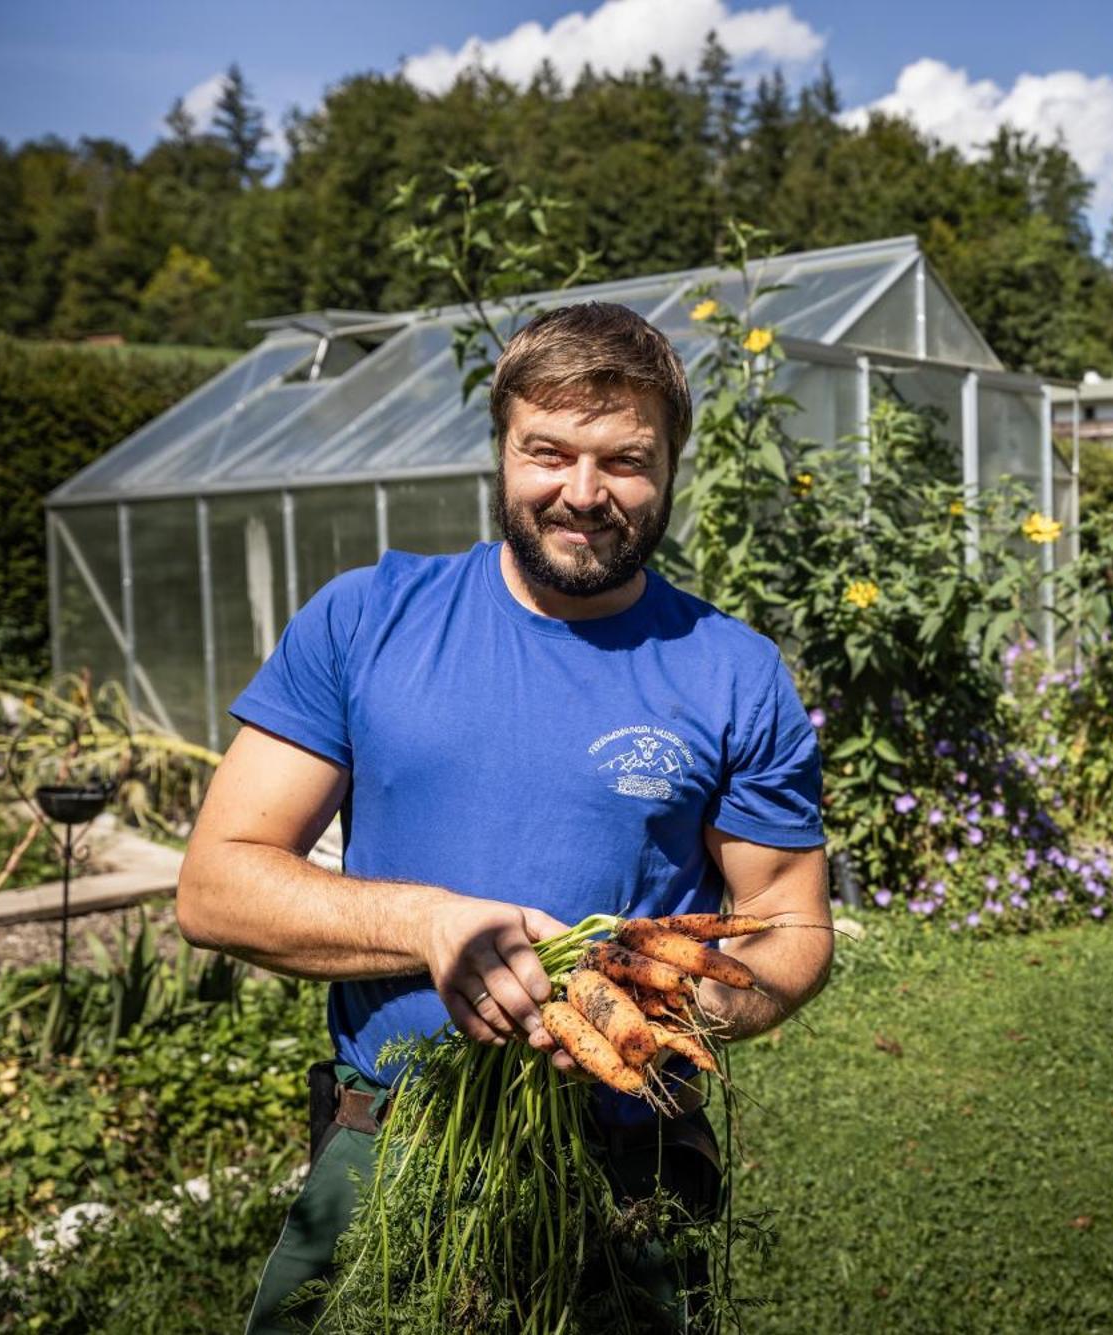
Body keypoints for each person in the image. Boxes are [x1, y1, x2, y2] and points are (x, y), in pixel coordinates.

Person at [176, 301, 832, 1331]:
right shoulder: (366, 619)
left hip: (628, 1171)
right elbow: (217, 885)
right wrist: (428, 924)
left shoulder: (731, 670)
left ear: (668, 470)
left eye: (624, 460)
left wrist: (661, 1021)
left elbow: (790, 923)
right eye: (549, 453)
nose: (584, 493)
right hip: (396, 1142)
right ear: (501, 451)